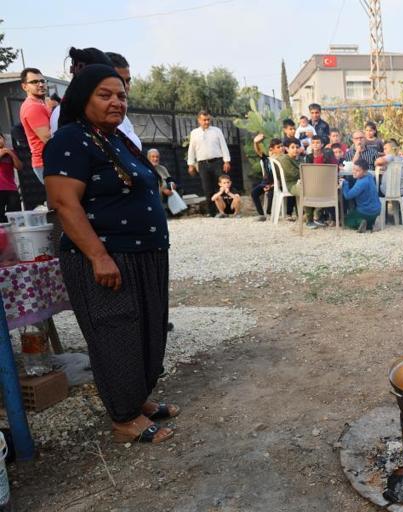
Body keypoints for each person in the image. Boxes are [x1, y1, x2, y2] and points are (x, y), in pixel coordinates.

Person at [43, 64, 176, 444]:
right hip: (106, 255)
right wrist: (98, 256)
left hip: (143, 254)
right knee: (117, 332)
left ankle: (136, 399)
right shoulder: (69, 140)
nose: (117, 102)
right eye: (105, 95)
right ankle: (124, 419)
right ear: (82, 98)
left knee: (147, 328)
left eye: (121, 95)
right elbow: (64, 203)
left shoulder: (115, 139)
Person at [50, 48, 142, 151]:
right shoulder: (67, 129)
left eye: (127, 81)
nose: (123, 86)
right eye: (105, 95)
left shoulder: (117, 118)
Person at [187, 110, 231, 217]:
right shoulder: (194, 133)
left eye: (208, 120)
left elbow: (223, 146)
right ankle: (212, 213)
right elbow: (191, 149)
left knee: (222, 186)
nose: (207, 122)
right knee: (207, 188)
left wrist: (226, 161)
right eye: (204, 120)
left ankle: (226, 211)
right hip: (202, 164)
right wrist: (191, 164)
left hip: (217, 162)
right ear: (199, 120)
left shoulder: (217, 131)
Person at [18, 67, 51, 183]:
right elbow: (48, 138)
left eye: (42, 81)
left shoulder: (40, 103)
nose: (41, 84)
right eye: (34, 82)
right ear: (24, 86)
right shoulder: (33, 107)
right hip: (46, 162)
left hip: (48, 161)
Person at [341, 159, 381, 232]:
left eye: (357, 170)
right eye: (353, 169)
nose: (354, 172)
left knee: (347, 220)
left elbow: (347, 196)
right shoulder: (369, 176)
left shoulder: (361, 183)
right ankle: (373, 223)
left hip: (365, 211)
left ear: (365, 172)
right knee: (365, 217)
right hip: (377, 210)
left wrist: (345, 183)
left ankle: (360, 222)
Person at [250, 133, 282, 221]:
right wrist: (256, 142)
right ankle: (261, 214)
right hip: (266, 183)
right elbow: (258, 151)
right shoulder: (267, 159)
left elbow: (282, 177)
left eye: (281, 146)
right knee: (254, 193)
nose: (281, 148)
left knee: (271, 192)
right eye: (278, 147)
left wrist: (271, 185)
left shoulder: (283, 160)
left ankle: (269, 213)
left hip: (277, 184)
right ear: (272, 149)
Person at [0, 136, 23, 221]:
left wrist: (11, 154)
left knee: (15, 216)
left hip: (11, 188)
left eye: (0, 138)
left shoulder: (10, 152)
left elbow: (19, 167)